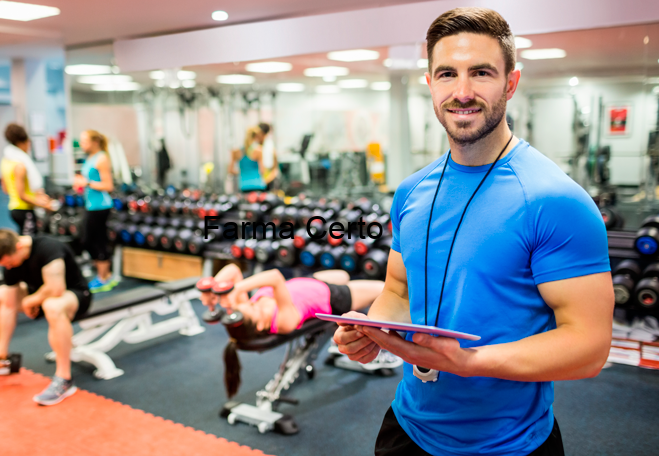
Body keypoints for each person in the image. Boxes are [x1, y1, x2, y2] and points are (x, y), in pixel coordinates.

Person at [333, 7, 613, 456]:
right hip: (407, 427)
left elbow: (589, 345)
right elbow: (400, 292)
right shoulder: (411, 192)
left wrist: (470, 363)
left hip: (509, 444)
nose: (461, 92)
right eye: (447, 74)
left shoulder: (555, 200)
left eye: (480, 72)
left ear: (511, 83)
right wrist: (369, 329)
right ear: (430, 85)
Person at [200, 264, 386, 397]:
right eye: (252, 309)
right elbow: (274, 277)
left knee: (343, 273)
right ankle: (380, 344)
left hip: (308, 282)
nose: (248, 303)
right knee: (386, 290)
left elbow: (232, 270)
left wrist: (214, 289)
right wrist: (235, 289)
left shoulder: (247, 308)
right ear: (258, 326)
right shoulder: (282, 322)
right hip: (331, 296)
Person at [0, 229, 91, 406]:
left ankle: (64, 378)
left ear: (19, 246)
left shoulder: (49, 248)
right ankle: (0, 359)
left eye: (9, 263)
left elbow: (56, 289)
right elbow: (9, 306)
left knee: (52, 306)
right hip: (39, 295)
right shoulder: (10, 263)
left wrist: (29, 301)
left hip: (75, 295)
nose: (9, 267)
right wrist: (1, 349)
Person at [73, 130, 117, 293]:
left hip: (101, 206)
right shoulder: (90, 158)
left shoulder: (102, 158)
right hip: (90, 205)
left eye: (85, 141)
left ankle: (104, 278)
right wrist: (80, 185)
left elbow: (108, 186)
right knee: (86, 240)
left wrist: (87, 183)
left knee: (96, 241)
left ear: (95, 142)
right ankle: (106, 274)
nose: (82, 144)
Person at [1, 123, 53, 235]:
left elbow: (5, 189)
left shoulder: (5, 161)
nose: (29, 146)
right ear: (21, 143)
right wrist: (43, 204)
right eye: (28, 143)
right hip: (23, 210)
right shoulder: (20, 166)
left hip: (14, 208)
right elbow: (22, 195)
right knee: (29, 244)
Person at [228, 126, 266, 192]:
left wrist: (243, 172)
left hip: (244, 186)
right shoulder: (258, 150)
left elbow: (230, 170)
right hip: (258, 185)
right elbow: (262, 171)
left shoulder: (236, 151)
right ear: (256, 137)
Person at [257, 122, 280, 191]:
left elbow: (275, 168)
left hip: (268, 181)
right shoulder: (254, 147)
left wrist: (268, 180)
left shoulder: (270, 146)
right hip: (255, 182)